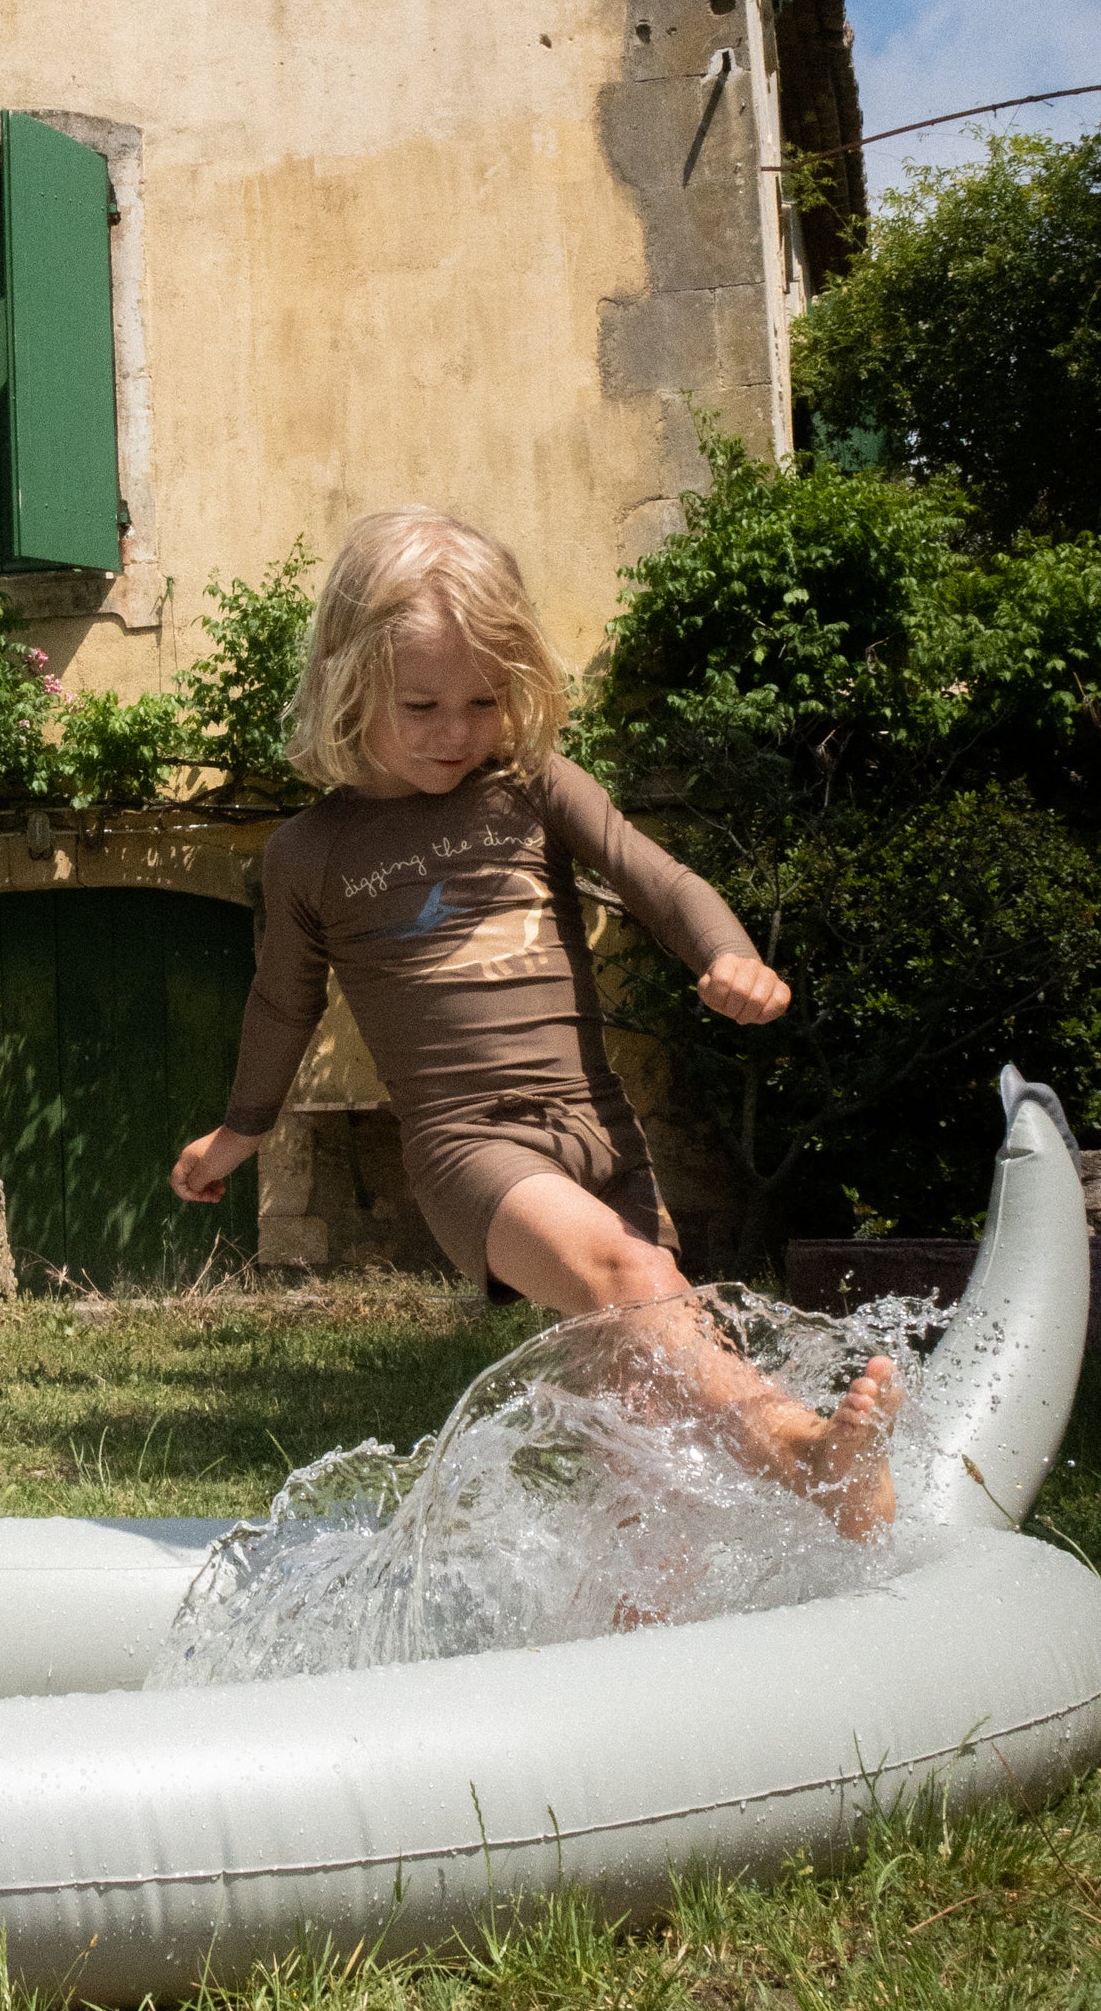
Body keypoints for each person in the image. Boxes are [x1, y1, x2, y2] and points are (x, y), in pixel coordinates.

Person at [171, 508, 901, 1539]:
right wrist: (238, 1131)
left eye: (481, 700)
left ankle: (628, 1645)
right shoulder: (310, 853)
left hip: (601, 1129)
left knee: (643, 1432)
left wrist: (724, 953)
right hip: (471, 1148)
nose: (454, 731)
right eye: (418, 703)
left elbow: (659, 880)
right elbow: (283, 1002)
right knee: (631, 1274)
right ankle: (803, 1453)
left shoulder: (533, 790)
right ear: (346, 680)